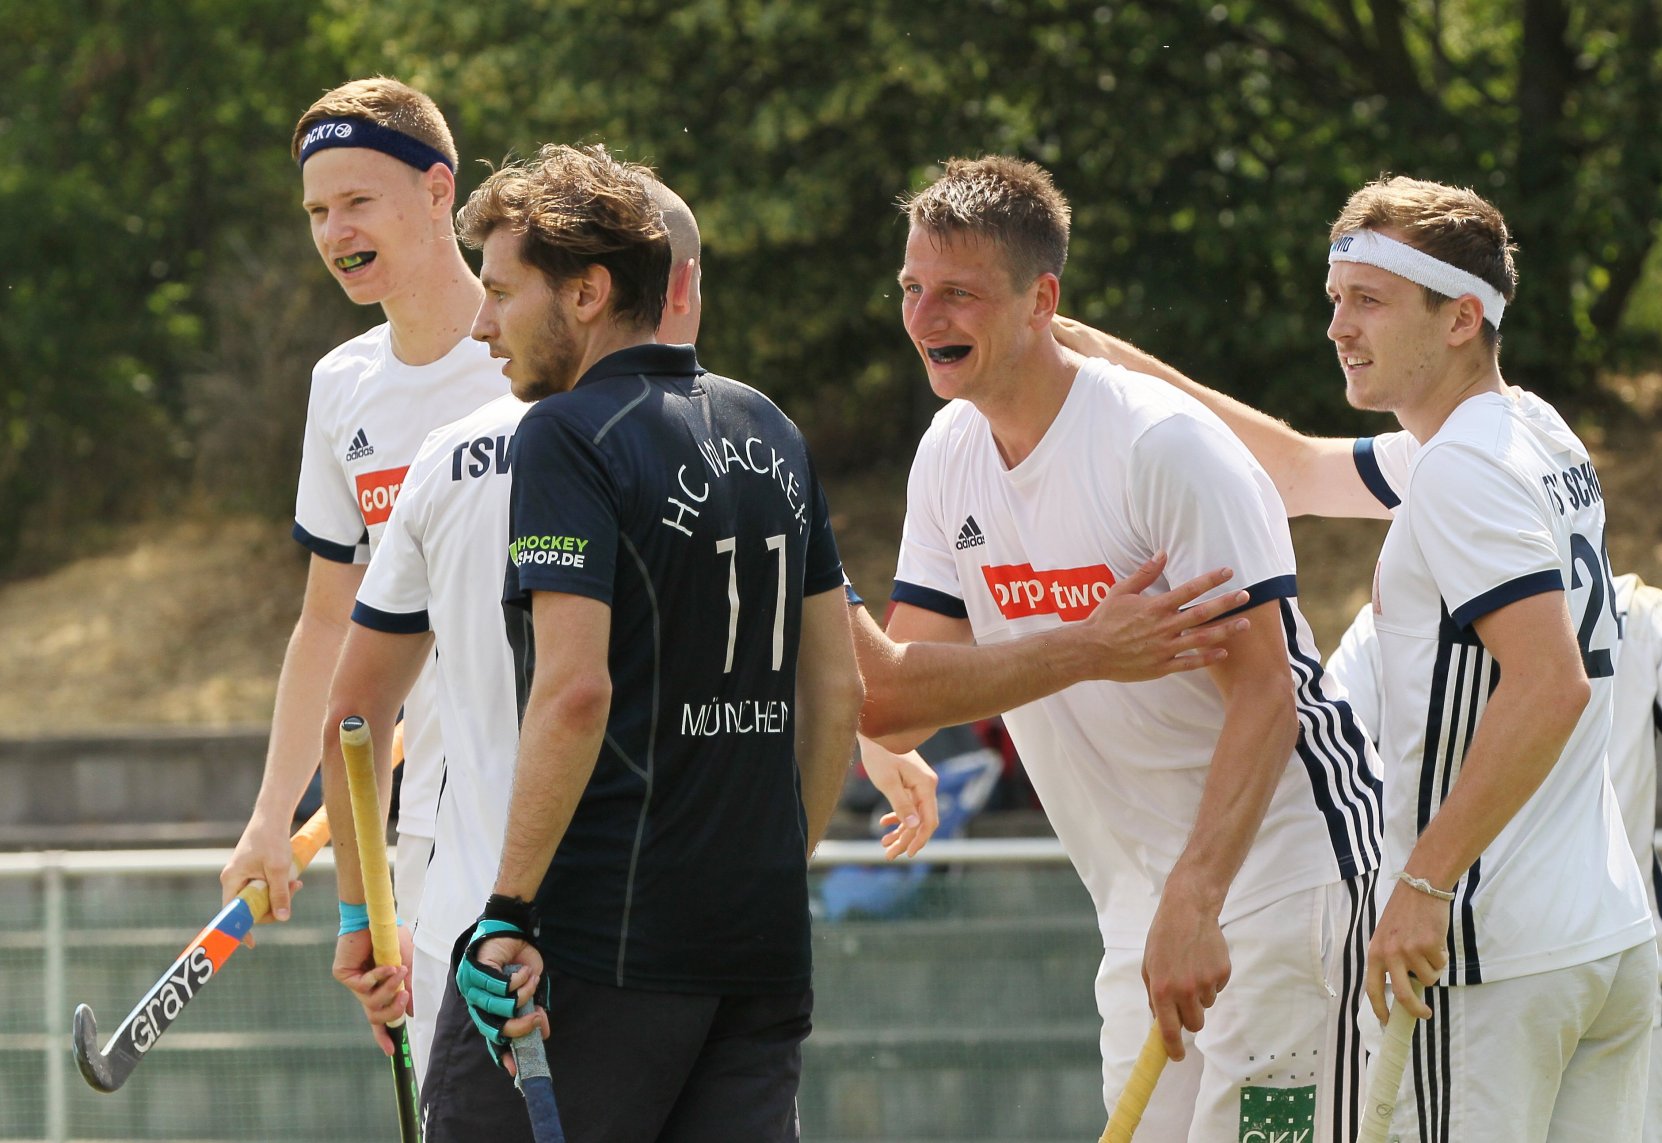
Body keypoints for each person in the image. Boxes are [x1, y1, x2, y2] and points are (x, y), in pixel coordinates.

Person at [1059, 175, 1661, 1140]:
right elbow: (1294, 467)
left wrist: (1422, 883)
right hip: (1603, 939)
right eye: (1336, 300)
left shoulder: (1461, 467)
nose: (1338, 326)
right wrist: (1095, 354)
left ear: (1461, 317)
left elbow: (1549, 684)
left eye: (1369, 302)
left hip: (1489, 951)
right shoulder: (1520, 430)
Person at [879, 156, 1383, 1141]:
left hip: (1286, 881)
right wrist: (881, 732)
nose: (927, 316)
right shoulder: (948, 456)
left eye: (959, 294)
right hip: (1136, 904)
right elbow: (902, 692)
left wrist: (1201, 898)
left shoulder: (1161, 448)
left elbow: (1268, 700)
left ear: (1041, 300)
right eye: (911, 289)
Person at [418, 143, 857, 1141]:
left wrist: (508, 911)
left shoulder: (566, 435)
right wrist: (771, 870)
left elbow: (575, 694)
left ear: (588, 293)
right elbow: (839, 697)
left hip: (599, 949)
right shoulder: (773, 426)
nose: (483, 324)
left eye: (502, 291)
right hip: (759, 947)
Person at [1327, 576, 1662, 1141]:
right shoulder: (1637, 610)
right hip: (1618, 970)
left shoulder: (1392, 619)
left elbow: (1328, 783)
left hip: (1470, 981)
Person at [218, 78, 507, 951]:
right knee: (445, 1087)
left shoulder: (538, 356)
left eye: (357, 202)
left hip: (557, 806)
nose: (335, 233)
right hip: (421, 825)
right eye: (316, 211)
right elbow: (327, 622)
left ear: (436, 191)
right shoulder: (341, 386)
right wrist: (275, 815)